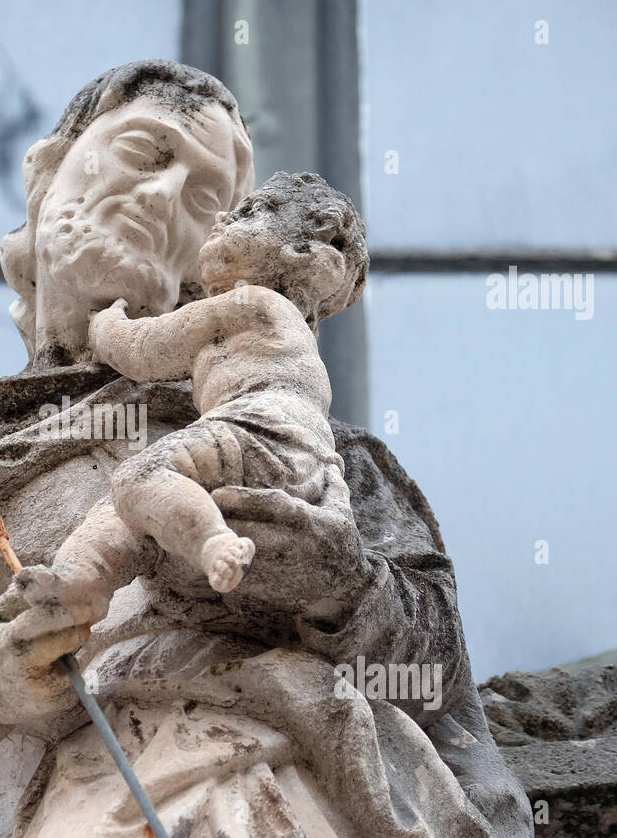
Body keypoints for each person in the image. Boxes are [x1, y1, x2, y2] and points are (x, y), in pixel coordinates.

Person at [0, 60, 535, 838]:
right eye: (148, 154)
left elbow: (437, 687)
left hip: (311, 784)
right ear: (45, 176)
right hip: (96, 804)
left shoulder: (303, 443)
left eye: (205, 202)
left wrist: (340, 589)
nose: (160, 199)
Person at [19, 171, 366, 616]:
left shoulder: (254, 304)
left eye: (247, 213)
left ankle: (215, 544)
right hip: (306, 464)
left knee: (136, 478)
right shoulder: (282, 335)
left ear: (298, 252)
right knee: (133, 511)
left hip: (256, 432)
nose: (222, 215)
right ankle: (77, 578)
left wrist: (105, 327)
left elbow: (146, 350)